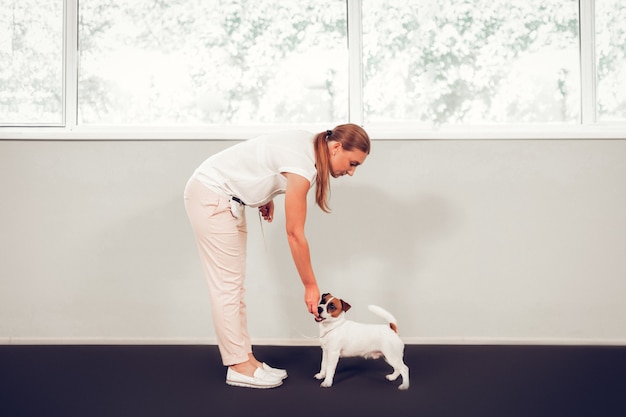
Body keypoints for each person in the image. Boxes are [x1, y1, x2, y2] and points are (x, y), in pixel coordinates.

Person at [183, 123, 371, 389]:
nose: (351, 172)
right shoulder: (304, 164)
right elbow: (294, 233)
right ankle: (237, 366)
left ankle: (246, 360)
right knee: (226, 288)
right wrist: (310, 285)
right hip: (211, 195)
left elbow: (263, 159)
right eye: (352, 163)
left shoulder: (311, 145)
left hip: (227, 199)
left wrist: (261, 195)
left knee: (234, 288)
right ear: (336, 147)